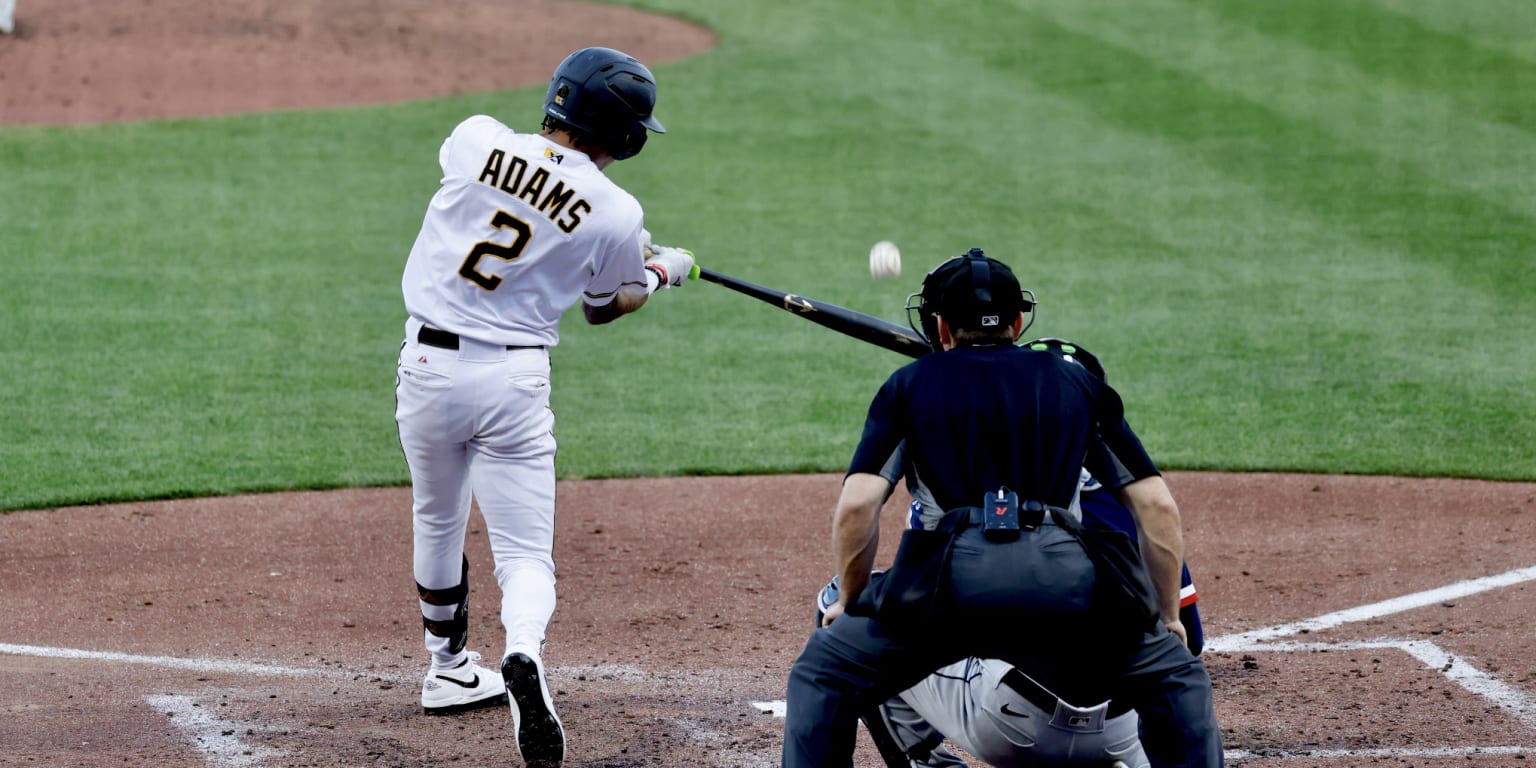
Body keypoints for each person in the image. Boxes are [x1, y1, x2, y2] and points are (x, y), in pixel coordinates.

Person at [781, 248, 1223, 767]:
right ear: (1018, 322)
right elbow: (1156, 507)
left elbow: (857, 507)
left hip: (949, 582)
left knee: (824, 674)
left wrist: (853, 600)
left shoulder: (909, 386)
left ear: (941, 327)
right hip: (1065, 576)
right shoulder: (1076, 382)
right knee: (1178, 679)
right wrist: (1166, 617)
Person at [394, 46, 694, 768]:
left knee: (437, 516)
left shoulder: (475, 137)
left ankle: (447, 667)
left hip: (428, 365)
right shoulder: (616, 212)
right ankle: (521, 650)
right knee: (525, 553)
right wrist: (657, 270)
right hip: (513, 386)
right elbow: (604, 307)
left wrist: (598, 242)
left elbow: (510, 203)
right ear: (622, 134)